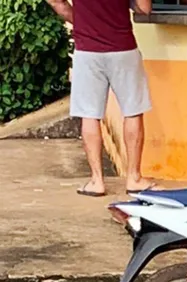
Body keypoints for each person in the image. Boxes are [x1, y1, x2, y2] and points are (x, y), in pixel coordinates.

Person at [46, 0, 158, 196]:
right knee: (132, 111)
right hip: (123, 48)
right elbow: (145, 9)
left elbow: (56, 2)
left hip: (87, 50)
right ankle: (134, 178)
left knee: (89, 115)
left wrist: (82, 22)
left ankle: (96, 181)